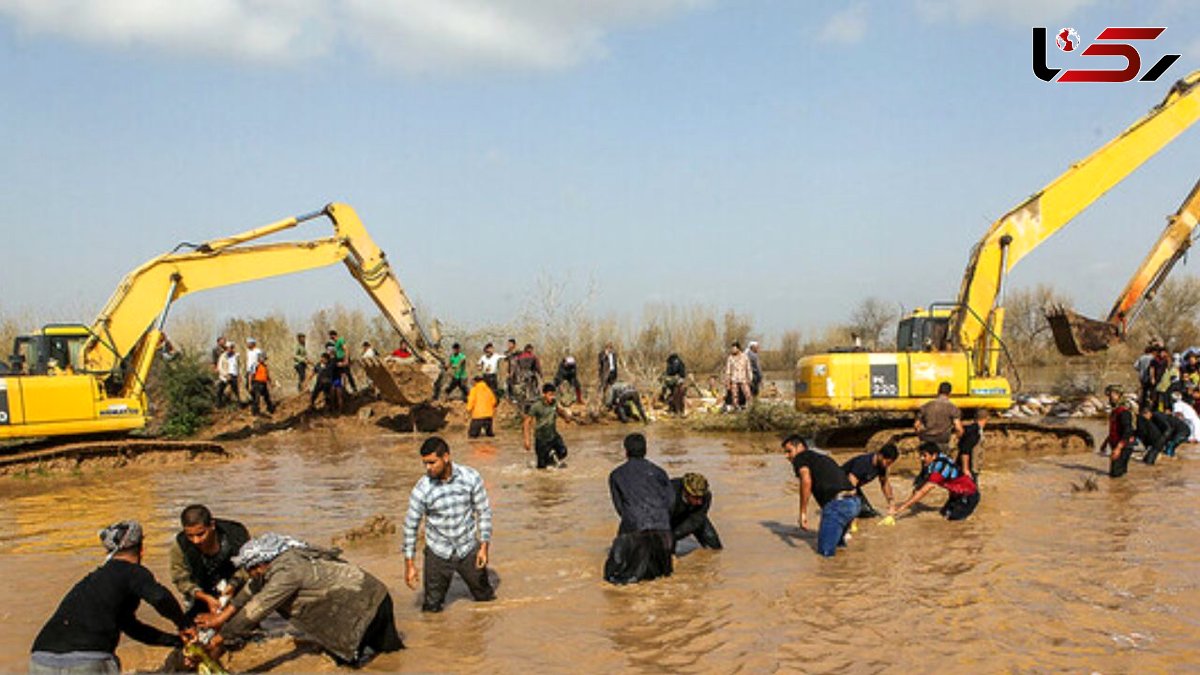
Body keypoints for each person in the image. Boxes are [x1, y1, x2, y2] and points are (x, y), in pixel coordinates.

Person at [198, 534, 403, 668]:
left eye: (251, 569)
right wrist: (220, 618)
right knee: (391, 657)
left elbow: (256, 609)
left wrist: (222, 637)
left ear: (262, 564)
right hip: (375, 593)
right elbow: (252, 589)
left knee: (350, 663)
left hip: (361, 605)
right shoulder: (278, 559)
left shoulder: (286, 574)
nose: (250, 574)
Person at [31, 521, 191, 674]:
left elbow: (132, 628)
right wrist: (184, 624)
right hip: (88, 660)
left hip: (41, 658)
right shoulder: (133, 571)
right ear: (142, 550)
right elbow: (159, 597)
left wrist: (175, 641)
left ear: (108, 551)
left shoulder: (94, 581)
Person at [402, 436, 495, 612]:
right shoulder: (422, 489)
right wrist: (410, 565)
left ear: (446, 457)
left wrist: (484, 547)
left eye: (432, 462)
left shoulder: (471, 477)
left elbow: (483, 512)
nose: (428, 468)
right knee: (431, 609)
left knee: (486, 601)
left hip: (468, 548)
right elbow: (410, 527)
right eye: (425, 464)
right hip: (438, 552)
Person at [604, 433, 674, 584]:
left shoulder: (616, 475)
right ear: (646, 450)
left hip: (634, 530)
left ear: (626, 451)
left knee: (614, 577)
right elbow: (669, 501)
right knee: (663, 578)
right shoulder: (659, 472)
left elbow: (620, 508)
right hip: (664, 535)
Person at [169, 505, 251, 619]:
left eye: (200, 534)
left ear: (212, 525)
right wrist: (205, 597)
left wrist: (233, 585)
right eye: (190, 536)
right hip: (200, 590)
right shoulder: (180, 545)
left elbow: (249, 565)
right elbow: (181, 579)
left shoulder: (236, 534)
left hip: (236, 584)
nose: (195, 540)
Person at [783, 435, 859, 557]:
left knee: (824, 556)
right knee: (840, 550)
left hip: (837, 505)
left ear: (800, 447)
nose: (787, 456)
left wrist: (802, 512)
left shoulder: (801, 457)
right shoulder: (821, 457)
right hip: (854, 503)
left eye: (789, 451)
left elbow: (806, 480)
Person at [891, 441, 981, 521]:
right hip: (956, 494)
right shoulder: (937, 459)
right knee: (943, 514)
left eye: (924, 455)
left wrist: (903, 507)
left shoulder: (939, 469)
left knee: (953, 523)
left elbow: (923, 491)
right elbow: (920, 486)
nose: (921, 458)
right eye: (921, 455)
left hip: (968, 496)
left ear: (934, 455)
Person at [840, 443, 899, 518]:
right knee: (850, 511)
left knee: (869, 513)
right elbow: (852, 479)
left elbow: (885, 483)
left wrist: (891, 502)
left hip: (854, 487)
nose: (887, 466)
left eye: (890, 463)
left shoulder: (882, 466)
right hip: (841, 485)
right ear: (880, 455)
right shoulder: (864, 463)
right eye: (887, 463)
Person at [669, 472, 722, 551]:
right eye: (696, 497)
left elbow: (695, 521)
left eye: (701, 497)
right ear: (686, 492)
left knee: (715, 548)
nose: (700, 502)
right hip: (667, 517)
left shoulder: (706, 496)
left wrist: (674, 535)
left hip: (693, 516)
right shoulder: (668, 493)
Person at [523, 383, 570, 469]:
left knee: (563, 452)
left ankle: (552, 460)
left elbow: (559, 411)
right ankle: (549, 460)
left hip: (553, 435)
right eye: (550, 395)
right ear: (544, 394)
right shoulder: (536, 406)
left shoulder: (554, 403)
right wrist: (527, 440)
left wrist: (566, 417)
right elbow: (527, 422)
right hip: (541, 438)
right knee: (541, 467)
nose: (552, 397)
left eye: (554, 395)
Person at [1099, 385, 1137, 478]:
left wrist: (1118, 449)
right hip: (1119, 445)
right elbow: (1115, 429)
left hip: (1124, 446)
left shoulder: (1123, 412)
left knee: (1115, 476)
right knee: (1118, 476)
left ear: (1118, 395)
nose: (1109, 398)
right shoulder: (1116, 411)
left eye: (1111, 395)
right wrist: (1105, 443)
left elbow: (1128, 431)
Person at [915, 381, 963, 451]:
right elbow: (959, 428)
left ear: (938, 391)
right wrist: (956, 439)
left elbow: (916, 425)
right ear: (949, 392)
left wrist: (921, 436)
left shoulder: (926, 406)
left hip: (926, 440)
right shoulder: (952, 408)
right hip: (942, 440)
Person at [957, 408, 990, 479]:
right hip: (970, 468)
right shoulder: (974, 432)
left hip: (973, 467)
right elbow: (965, 450)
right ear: (987, 418)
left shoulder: (975, 429)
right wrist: (965, 469)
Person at [510, 343, 543, 410]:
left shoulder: (519, 356)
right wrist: (540, 374)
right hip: (530, 374)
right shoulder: (533, 356)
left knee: (522, 391)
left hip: (521, 376)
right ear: (529, 349)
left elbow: (515, 367)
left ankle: (522, 404)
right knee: (532, 389)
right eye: (531, 349)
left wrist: (512, 375)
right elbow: (537, 366)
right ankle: (531, 404)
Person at [724, 342, 753, 411]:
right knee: (734, 396)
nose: (732, 350)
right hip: (734, 379)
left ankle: (751, 408)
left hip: (743, 379)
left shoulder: (744, 357)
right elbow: (728, 371)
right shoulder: (730, 358)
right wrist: (727, 382)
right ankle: (736, 408)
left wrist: (750, 378)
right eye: (732, 349)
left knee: (747, 394)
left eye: (734, 348)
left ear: (738, 348)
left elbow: (748, 368)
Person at [329, 329, 357, 394]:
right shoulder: (335, 344)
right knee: (339, 374)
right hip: (338, 359)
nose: (332, 339)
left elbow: (346, 349)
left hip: (343, 358)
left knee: (347, 373)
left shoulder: (340, 340)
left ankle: (354, 388)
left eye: (332, 337)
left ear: (334, 335)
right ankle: (341, 389)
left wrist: (346, 360)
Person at [217, 342, 240, 406]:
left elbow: (237, 366)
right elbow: (219, 367)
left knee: (236, 391)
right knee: (220, 390)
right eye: (228, 348)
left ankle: (239, 404)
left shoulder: (236, 356)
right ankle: (219, 404)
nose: (230, 349)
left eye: (231, 348)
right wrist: (225, 375)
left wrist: (238, 375)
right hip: (225, 376)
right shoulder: (223, 356)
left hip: (234, 376)